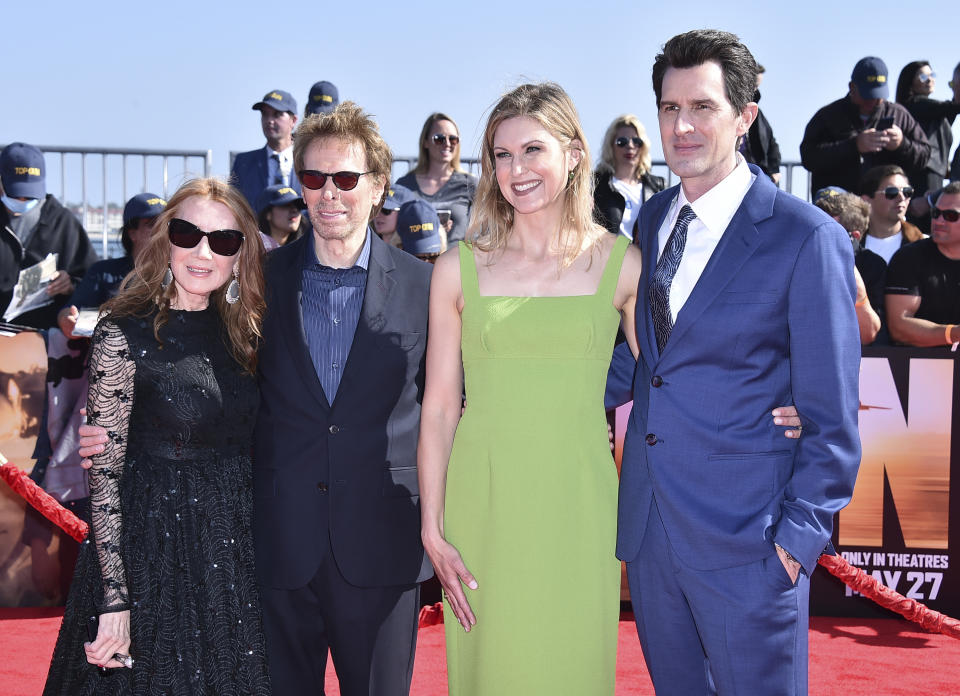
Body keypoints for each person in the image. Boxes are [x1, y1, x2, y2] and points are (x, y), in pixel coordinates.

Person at [613, 30, 861, 695]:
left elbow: (833, 422)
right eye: (669, 108)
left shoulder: (806, 238)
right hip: (652, 535)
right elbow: (647, 366)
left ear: (745, 116)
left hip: (751, 545)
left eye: (702, 107)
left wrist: (793, 546)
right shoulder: (652, 220)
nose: (682, 125)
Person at [418, 81, 643, 695]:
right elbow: (438, 409)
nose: (515, 170)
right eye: (501, 154)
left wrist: (772, 402)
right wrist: (432, 527)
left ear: (573, 154)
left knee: (572, 670)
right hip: (483, 504)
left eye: (531, 150)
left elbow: (672, 381)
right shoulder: (456, 268)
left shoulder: (622, 264)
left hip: (580, 505)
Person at [44, 177, 271, 694]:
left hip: (240, 558)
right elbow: (102, 480)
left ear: (241, 254)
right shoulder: (122, 331)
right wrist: (115, 599)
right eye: (188, 233)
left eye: (224, 240)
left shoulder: (251, 330)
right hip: (153, 554)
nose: (203, 251)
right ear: (165, 237)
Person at [252, 102, 432, 695]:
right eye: (314, 178)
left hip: (382, 543)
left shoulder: (425, 286)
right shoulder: (259, 282)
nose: (330, 193)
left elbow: (454, 405)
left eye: (347, 178)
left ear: (378, 186)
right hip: (281, 543)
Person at [1, 142, 97, 329]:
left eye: (30, 196)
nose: (22, 200)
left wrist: (70, 284)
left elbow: (91, 280)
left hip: (45, 334)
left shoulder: (63, 222)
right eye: (16, 194)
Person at [800, 56, 930, 195]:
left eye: (878, 95)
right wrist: (854, 146)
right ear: (852, 87)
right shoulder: (828, 116)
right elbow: (809, 157)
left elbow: (924, 155)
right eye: (868, 95)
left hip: (884, 206)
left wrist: (902, 144)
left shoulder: (899, 115)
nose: (873, 101)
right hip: (840, 207)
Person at [57, 193, 166, 338]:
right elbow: (69, 312)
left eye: (166, 223)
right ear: (132, 233)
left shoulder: (180, 273)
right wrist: (67, 320)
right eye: (152, 224)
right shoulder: (103, 272)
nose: (162, 231)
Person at [885, 181, 960, 346]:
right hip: (917, 366)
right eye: (935, 213)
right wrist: (953, 334)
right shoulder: (909, 257)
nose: (939, 220)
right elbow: (899, 328)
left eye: (950, 216)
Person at [396, 112, 478, 244]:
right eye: (439, 138)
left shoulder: (471, 184)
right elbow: (392, 232)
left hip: (463, 260)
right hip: (418, 261)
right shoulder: (404, 186)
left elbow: (484, 234)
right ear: (425, 142)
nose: (447, 143)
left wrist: (469, 264)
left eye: (453, 139)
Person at [813, 189, 882, 343]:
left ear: (854, 236)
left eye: (829, 230)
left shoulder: (873, 265)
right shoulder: (802, 259)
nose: (818, 235)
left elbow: (869, 334)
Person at [592, 114, 665, 239]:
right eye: (622, 141)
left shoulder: (658, 186)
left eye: (636, 141)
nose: (630, 146)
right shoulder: (595, 184)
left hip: (647, 256)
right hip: (612, 255)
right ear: (611, 146)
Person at [895, 61, 960, 197]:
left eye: (932, 75)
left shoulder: (932, 111)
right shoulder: (916, 105)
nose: (930, 80)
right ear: (910, 82)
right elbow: (951, 108)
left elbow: (950, 110)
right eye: (923, 77)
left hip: (934, 171)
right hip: (926, 173)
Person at [230, 89, 302, 209]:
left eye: (277, 114)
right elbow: (234, 207)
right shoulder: (243, 163)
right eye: (265, 114)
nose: (269, 120)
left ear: (293, 120)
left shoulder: (308, 162)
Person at [742, 64, 782, 184]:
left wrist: (773, 170)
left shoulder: (759, 116)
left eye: (757, 86)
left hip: (757, 177)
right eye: (754, 85)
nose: (756, 90)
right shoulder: (726, 111)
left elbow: (771, 142)